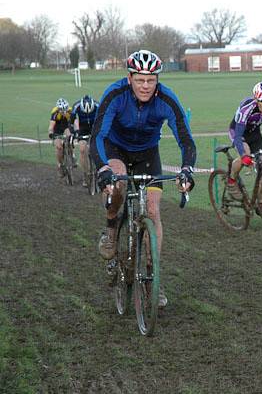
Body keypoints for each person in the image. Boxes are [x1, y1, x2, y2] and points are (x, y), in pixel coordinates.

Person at [90, 49, 196, 308]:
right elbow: (98, 136)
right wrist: (104, 168)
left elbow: (185, 139)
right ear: (129, 78)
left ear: (158, 79)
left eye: (151, 80)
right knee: (118, 185)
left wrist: (187, 169)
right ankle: (112, 231)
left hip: (148, 153)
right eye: (140, 80)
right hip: (115, 149)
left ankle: (152, 280)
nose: (146, 86)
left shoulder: (167, 99)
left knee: (153, 211)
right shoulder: (115, 94)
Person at [71, 95, 98, 186]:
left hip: (95, 127)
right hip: (83, 129)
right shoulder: (76, 106)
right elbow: (72, 121)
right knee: (83, 150)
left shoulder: (98, 106)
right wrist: (75, 132)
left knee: (98, 148)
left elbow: (103, 119)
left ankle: (100, 170)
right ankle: (86, 174)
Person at [48, 98, 73, 177]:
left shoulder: (70, 111)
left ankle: (72, 155)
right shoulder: (55, 113)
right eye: (62, 110)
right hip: (57, 128)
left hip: (66, 126)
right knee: (59, 147)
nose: (64, 112)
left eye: (65, 109)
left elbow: (73, 123)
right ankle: (60, 165)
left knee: (70, 137)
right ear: (58, 109)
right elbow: (51, 126)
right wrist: (51, 133)